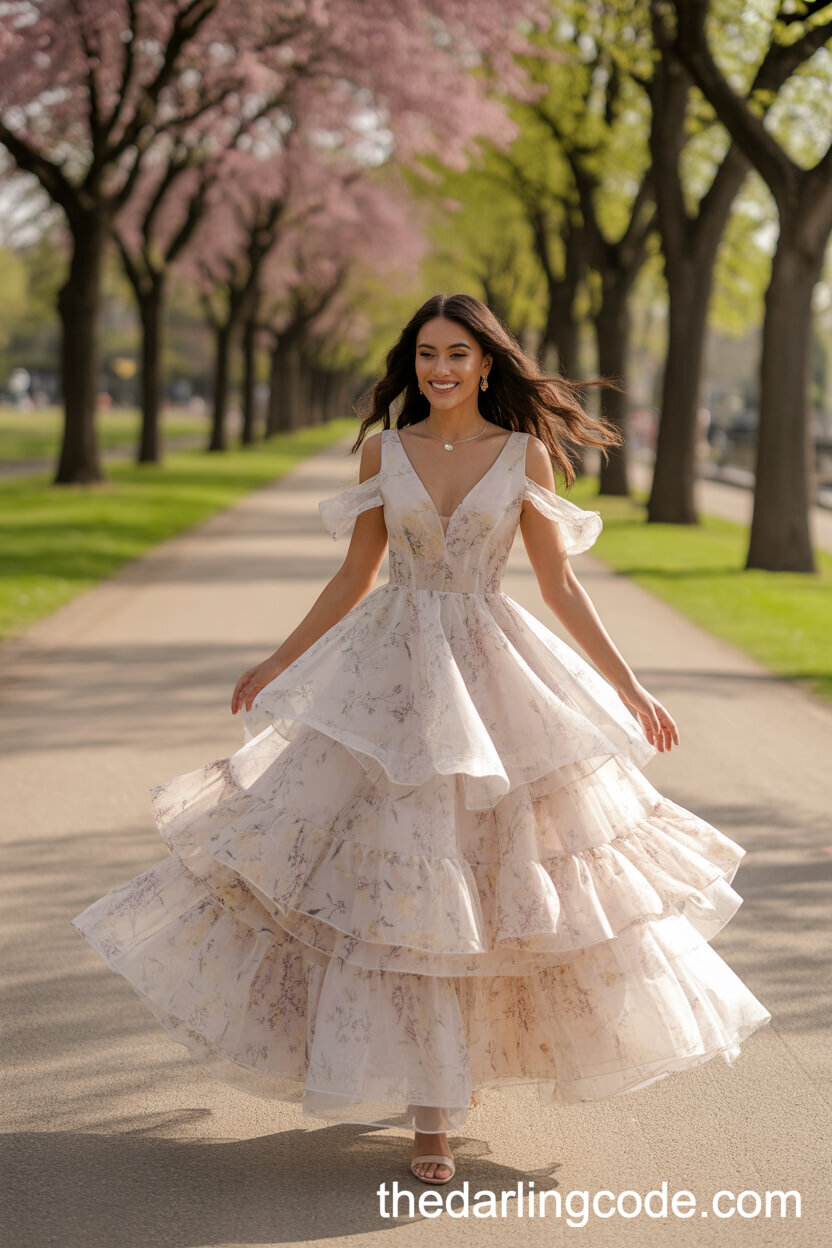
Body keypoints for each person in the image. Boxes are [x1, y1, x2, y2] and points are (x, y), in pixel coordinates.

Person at [71, 293, 771, 1187]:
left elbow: (560, 586)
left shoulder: (524, 455)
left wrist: (628, 687)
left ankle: (446, 1082)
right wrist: (280, 661)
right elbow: (355, 574)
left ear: (486, 364)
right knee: (398, 892)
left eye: (457, 354)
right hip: (390, 681)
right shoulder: (384, 451)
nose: (440, 368)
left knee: (487, 881)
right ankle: (430, 1118)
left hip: (491, 675)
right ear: (414, 363)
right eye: (427, 353)